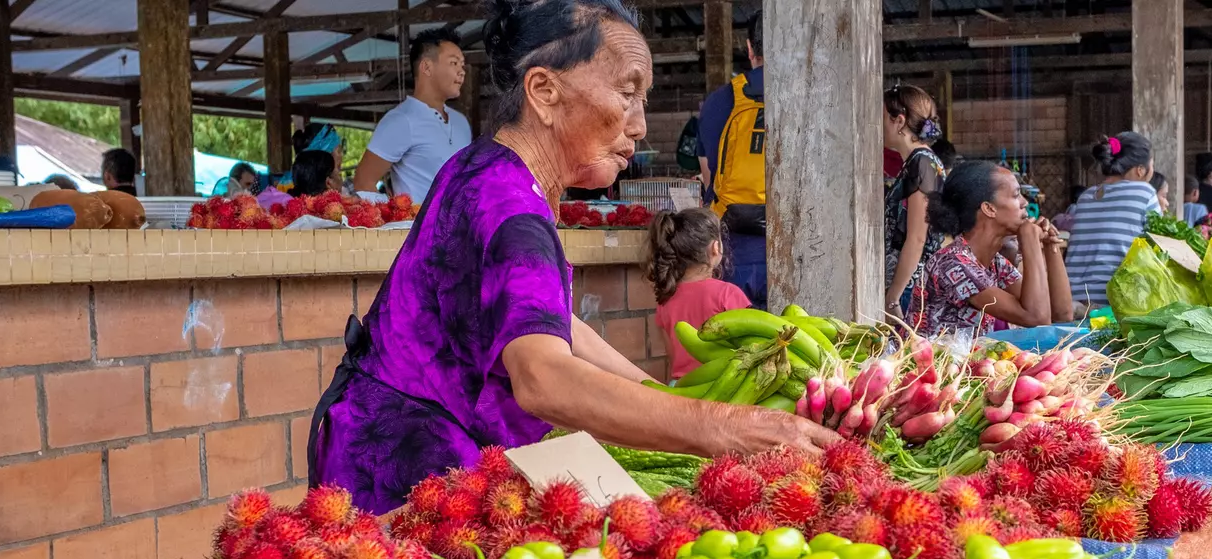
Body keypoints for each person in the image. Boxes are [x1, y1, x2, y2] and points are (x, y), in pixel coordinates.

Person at [309, 0, 835, 513]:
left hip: (391, 445)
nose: (640, 125)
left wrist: (655, 394)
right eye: (628, 92)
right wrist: (719, 429)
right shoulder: (511, 209)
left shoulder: (487, 168)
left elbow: (544, 323)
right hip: (400, 473)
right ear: (543, 90)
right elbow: (544, 377)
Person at [912, 160, 1073, 338]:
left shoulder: (995, 263)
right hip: (928, 364)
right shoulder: (953, 263)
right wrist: (1030, 241)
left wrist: (1051, 247)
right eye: (1016, 195)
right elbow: (1036, 318)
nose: (1024, 203)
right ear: (989, 208)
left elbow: (1062, 315)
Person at [354, 26, 472, 204]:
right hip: (420, 230)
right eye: (454, 63)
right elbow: (364, 182)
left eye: (462, 65)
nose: (462, 71)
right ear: (426, 67)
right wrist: (398, 222)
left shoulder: (461, 122)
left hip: (463, 230)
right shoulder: (401, 121)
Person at [697, 12, 767, 309]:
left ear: (750, 48)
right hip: (802, 246)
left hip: (734, 250)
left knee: (737, 345)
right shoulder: (812, 97)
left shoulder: (719, 101)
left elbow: (707, 175)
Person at [646, 208, 751, 379]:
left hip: (683, 388)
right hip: (722, 388)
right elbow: (751, 348)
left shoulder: (664, 300)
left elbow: (673, 358)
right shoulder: (728, 294)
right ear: (716, 247)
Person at [1062, 132, 1159, 310]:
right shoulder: (1144, 192)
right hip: (1113, 302)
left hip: (1072, 300)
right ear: (1140, 170)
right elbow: (1158, 249)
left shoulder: (1086, 196)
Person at [883, 84, 948, 319]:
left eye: (882, 117)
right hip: (908, 285)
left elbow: (918, 237)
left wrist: (893, 297)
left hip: (911, 288)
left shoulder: (921, 163)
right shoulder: (919, 162)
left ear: (899, 121)